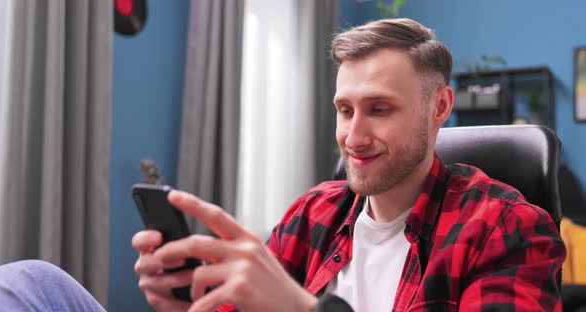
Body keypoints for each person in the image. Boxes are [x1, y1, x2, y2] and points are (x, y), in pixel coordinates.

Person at [132, 18, 566, 311]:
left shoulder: (506, 229)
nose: (353, 138)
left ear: (439, 107)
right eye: (345, 110)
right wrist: (190, 301)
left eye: (379, 110)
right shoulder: (312, 213)